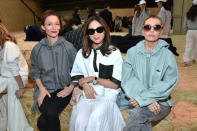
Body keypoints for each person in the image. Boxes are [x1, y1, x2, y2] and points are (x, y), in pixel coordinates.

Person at [121, 15, 178, 131]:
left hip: (161, 102)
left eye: (156, 27)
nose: (152, 30)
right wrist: (146, 100)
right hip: (136, 97)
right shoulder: (132, 53)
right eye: (148, 27)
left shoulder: (167, 56)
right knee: (139, 117)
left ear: (161, 31)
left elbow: (168, 82)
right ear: (143, 30)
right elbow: (127, 79)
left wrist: (144, 98)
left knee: (137, 114)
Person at [69, 15, 125, 131]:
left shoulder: (114, 53)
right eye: (91, 31)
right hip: (87, 94)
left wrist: (92, 79)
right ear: (87, 34)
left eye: (99, 30)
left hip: (107, 96)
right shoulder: (81, 53)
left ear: (105, 31)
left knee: (96, 118)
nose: (96, 34)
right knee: (80, 121)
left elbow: (115, 84)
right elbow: (76, 76)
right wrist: (84, 85)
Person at [30, 10, 77, 131]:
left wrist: (71, 87)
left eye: (57, 24)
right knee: (50, 114)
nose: (53, 27)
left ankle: (42, 122)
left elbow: (77, 70)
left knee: (49, 114)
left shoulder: (68, 47)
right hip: (44, 89)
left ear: (60, 26)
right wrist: (41, 89)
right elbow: (34, 71)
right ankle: (42, 121)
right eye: (49, 24)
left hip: (64, 89)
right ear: (43, 27)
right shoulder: (37, 49)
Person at [0, 23, 33, 131]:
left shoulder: (9, 46)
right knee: (4, 101)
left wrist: (21, 88)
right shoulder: (2, 45)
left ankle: (16, 127)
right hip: (8, 75)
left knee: (11, 101)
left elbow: (15, 70)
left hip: (17, 77)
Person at [183, 0, 197, 67]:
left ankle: (186, 61)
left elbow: (184, 24)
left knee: (188, 46)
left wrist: (186, 31)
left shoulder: (188, 13)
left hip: (189, 31)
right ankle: (194, 58)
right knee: (196, 46)